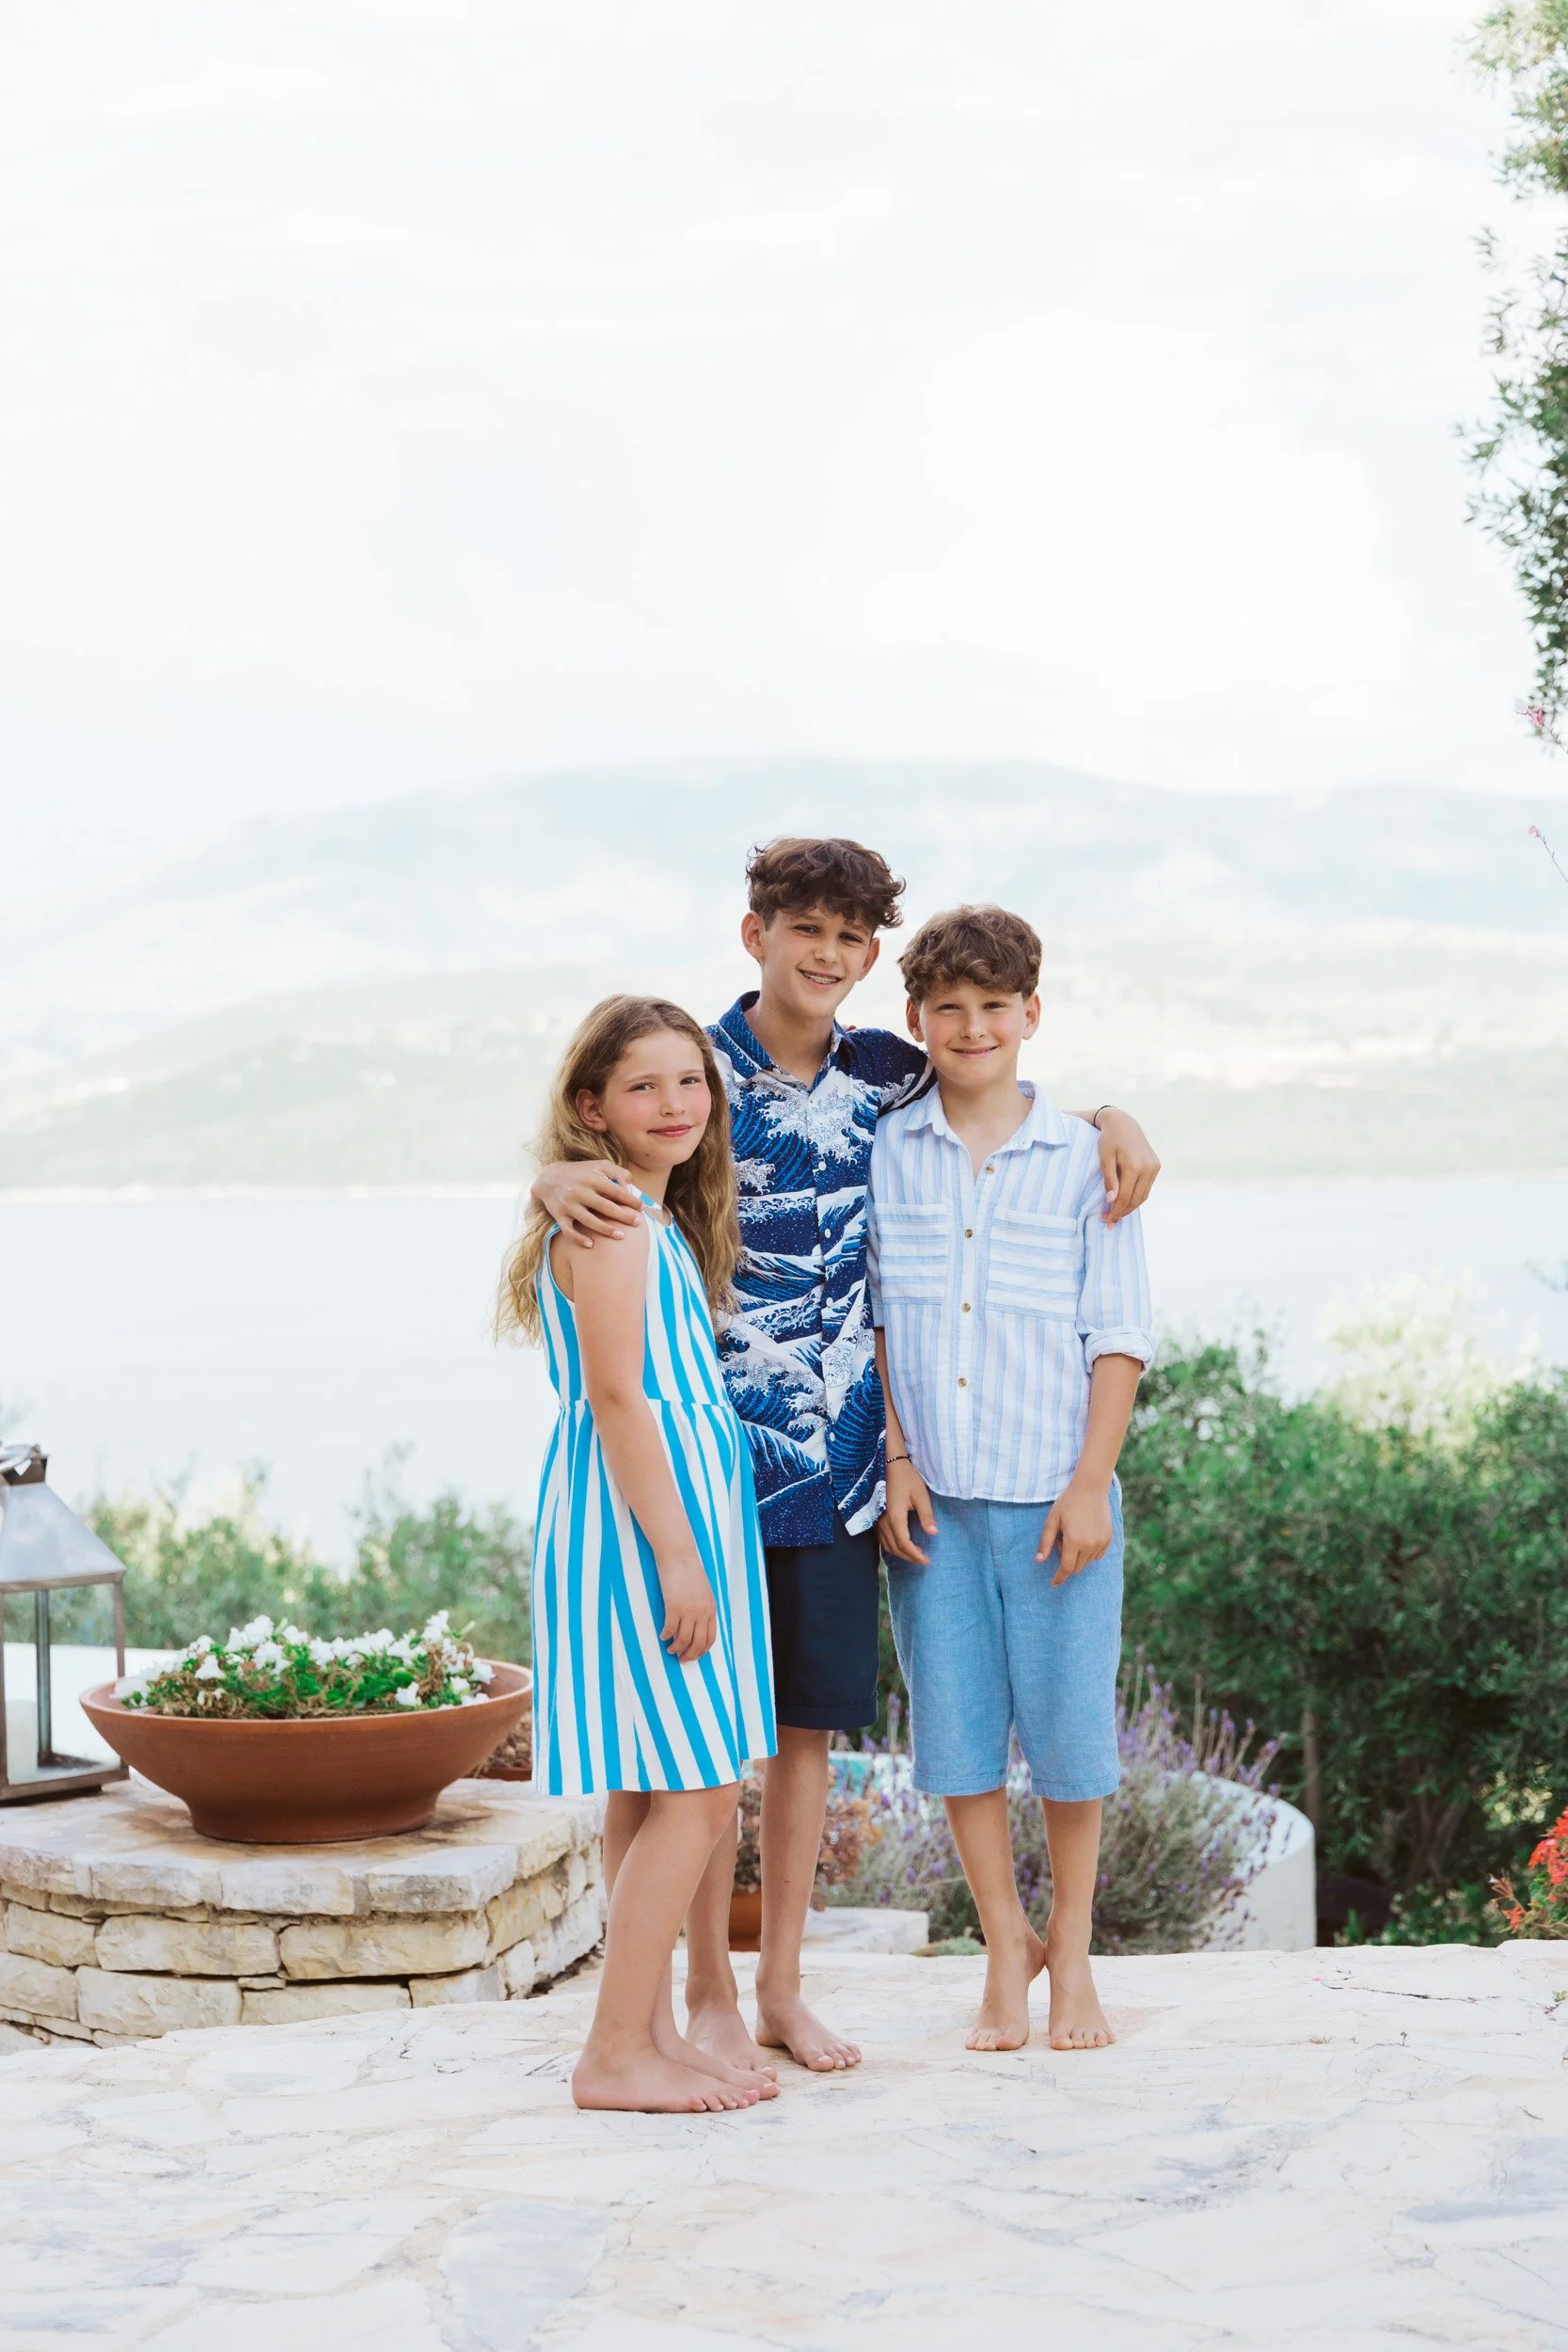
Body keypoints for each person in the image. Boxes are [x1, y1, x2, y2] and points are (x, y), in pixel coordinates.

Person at [532, 837, 1161, 2074]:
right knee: (690, 1750)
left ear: (873, 959)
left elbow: (1000, 1096)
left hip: (842, 1469)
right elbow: (600, 1146)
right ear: (752, 932)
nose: (825, 955)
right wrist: (555, 1176)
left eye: (848, 938)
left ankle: (776, 1989)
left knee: (805, 1732)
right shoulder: (693, 1069)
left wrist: (1110, 1118)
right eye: (801, 929)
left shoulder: (885, 1073)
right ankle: (694, 1996)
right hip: (708, 1468)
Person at [872, 904, 1154, 2054]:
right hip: (931, 1499)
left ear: (1030, 1014)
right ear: (916, 1019)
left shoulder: (1089, 1157)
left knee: (1072, 1740)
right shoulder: (888, 1149)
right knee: (954, 1739)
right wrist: (893, 1458)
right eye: (949, 1007)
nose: (971, 1025)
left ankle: (1073, 1949)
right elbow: (876, 1322)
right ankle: (1004, 1943)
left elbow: (1118, 1333)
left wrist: (1091, 1481)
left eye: (995, 1006)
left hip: (1055, 1502)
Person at [498, 993, 778, 2113]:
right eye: (643, 1085)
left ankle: (648, 2031)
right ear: (591, 1109)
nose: (675, 1104)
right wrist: (677, 1555)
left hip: (662, 1514)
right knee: (703, 1792)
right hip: (639, 1528)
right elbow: (618, 1398)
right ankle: (611, 2053)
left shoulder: (647, 1219)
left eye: (690, 1081)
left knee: (649, 1786)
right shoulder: (609, 1223)